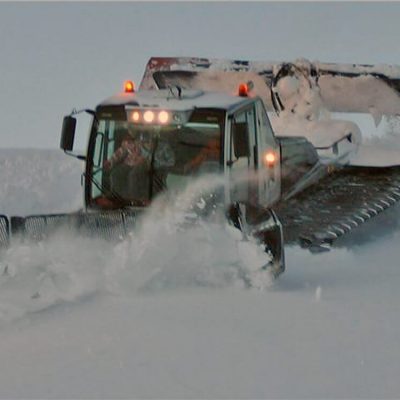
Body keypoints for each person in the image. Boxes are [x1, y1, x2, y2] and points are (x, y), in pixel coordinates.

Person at [104, 131, 175, 201]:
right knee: (115, 174)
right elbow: (122, 151)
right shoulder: (137, 144)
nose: (148, 143)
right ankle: (116, 198)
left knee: (134, 175)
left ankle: (134, 200)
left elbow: (171, 162)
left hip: (152, 168)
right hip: (131, 165)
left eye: (150, 141)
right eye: (145, 142)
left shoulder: (164, 147)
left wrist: (152, 161)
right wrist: (111, 161)